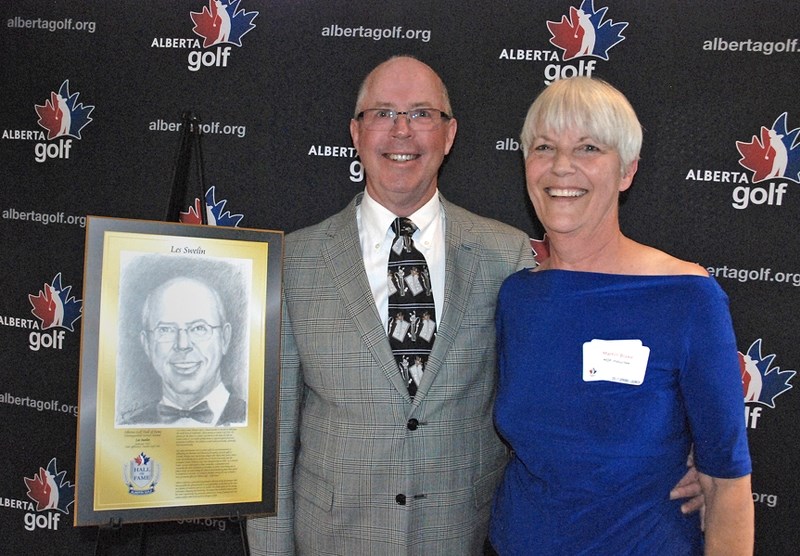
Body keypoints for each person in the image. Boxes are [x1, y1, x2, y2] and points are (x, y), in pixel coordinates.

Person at [246, 56, 702, 555]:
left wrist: (689, 445)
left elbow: (577, 369)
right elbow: (272, 435)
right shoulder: (295, 261)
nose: (402, 131)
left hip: (463, 538)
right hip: (332, 539)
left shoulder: (507, 255)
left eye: (422, 114)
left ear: (449, 134)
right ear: (356, 133)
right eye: (382, 114)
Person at [488, 77, 753, 555]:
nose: (562, 166)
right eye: (544, 146)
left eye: (588, 148)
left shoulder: (687, 296)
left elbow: (727, 485)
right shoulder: (517, 297)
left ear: (627, 170)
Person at [119, 276, 246, 427]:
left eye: (199, 328)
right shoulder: (129, 425)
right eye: (166, 330)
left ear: (224, 339)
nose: (183, 344)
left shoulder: (253, 418)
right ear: (147, 344)